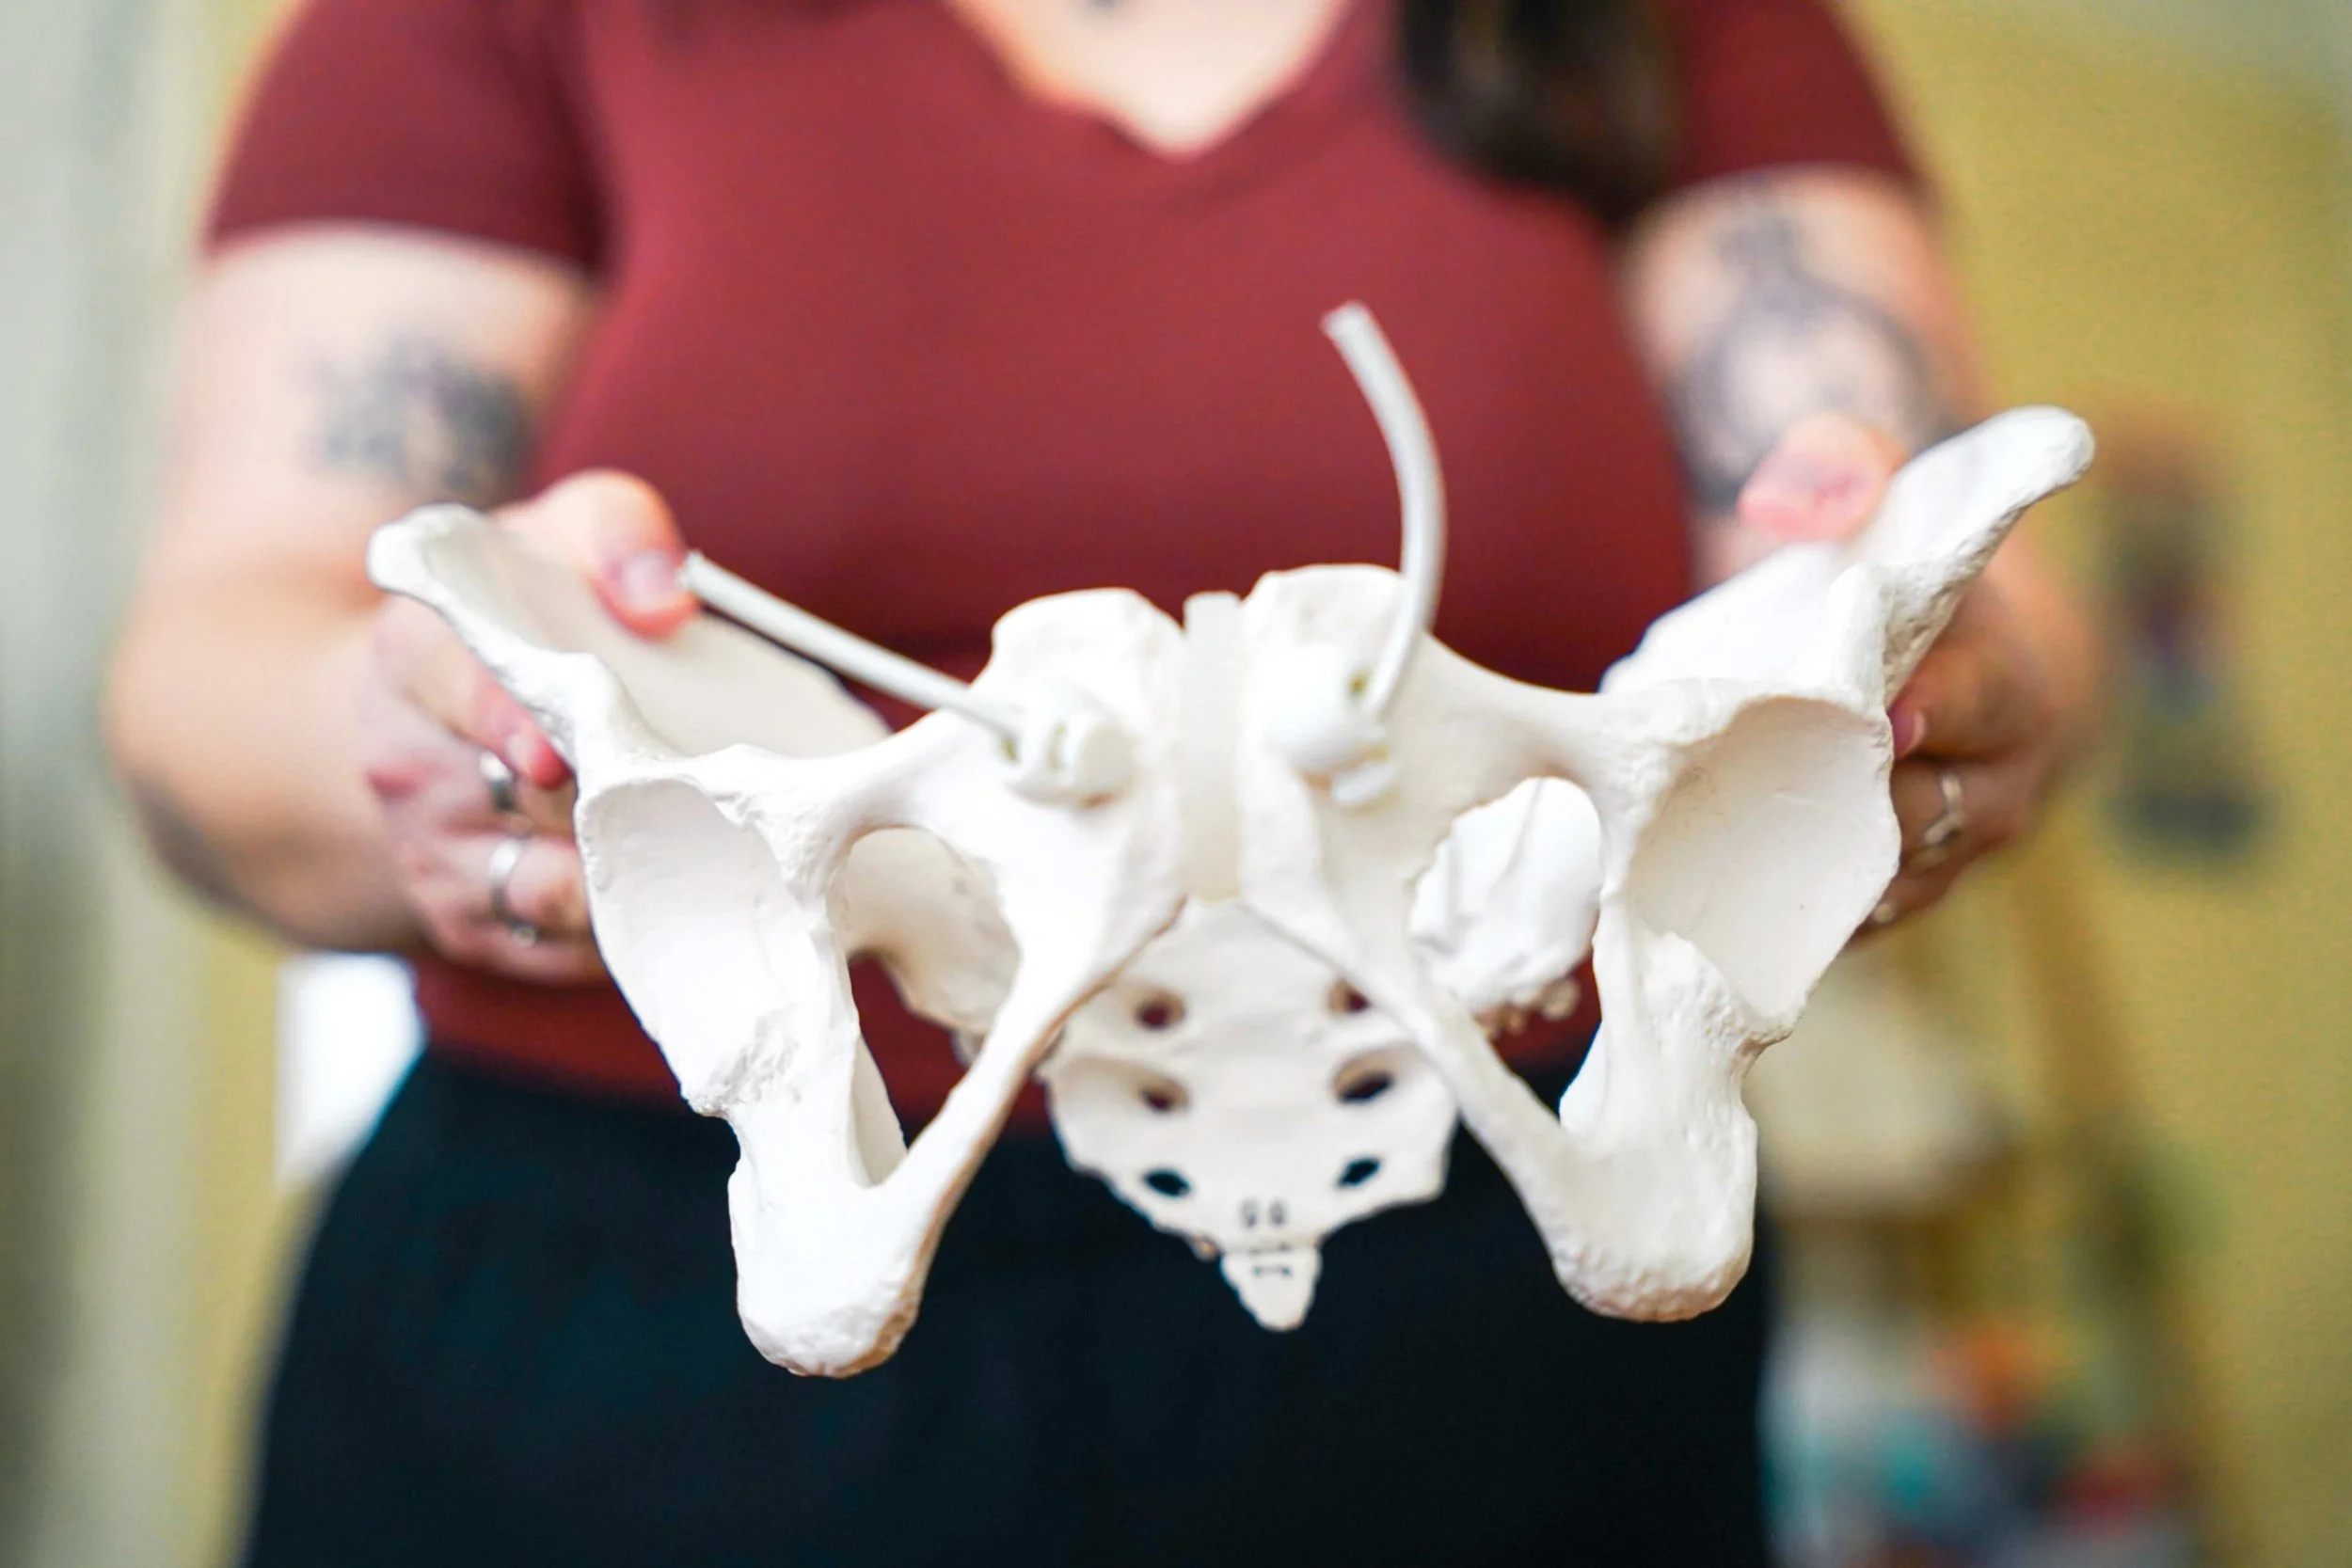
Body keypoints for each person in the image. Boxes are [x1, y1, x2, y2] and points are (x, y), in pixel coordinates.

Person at [106, 0, 2099, 1561]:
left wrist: (1919, 651)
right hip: (622, 1330)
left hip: (1492, 1371)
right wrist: (451, 732)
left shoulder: (1650, 19)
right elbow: (233, 646)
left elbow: (1939, 558)